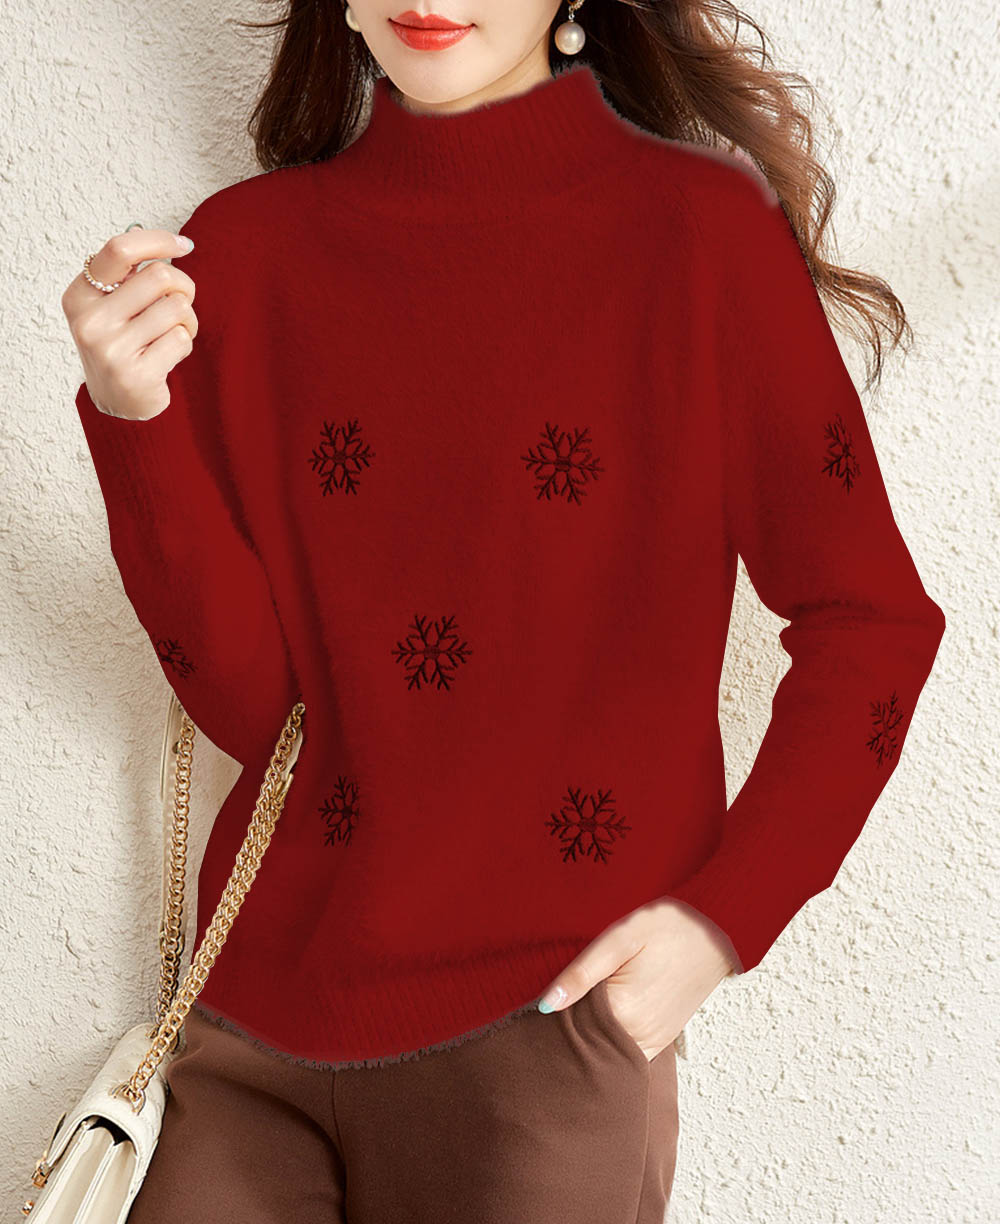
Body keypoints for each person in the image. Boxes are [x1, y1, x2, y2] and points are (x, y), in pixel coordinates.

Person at [61, 2, 946, 1220]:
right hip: (251, 1032)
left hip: (546, 1035)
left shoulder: (696, 233)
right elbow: (262, 712)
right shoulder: (245, 253)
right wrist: (134, 422)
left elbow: (872, 624)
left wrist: (717, 926)